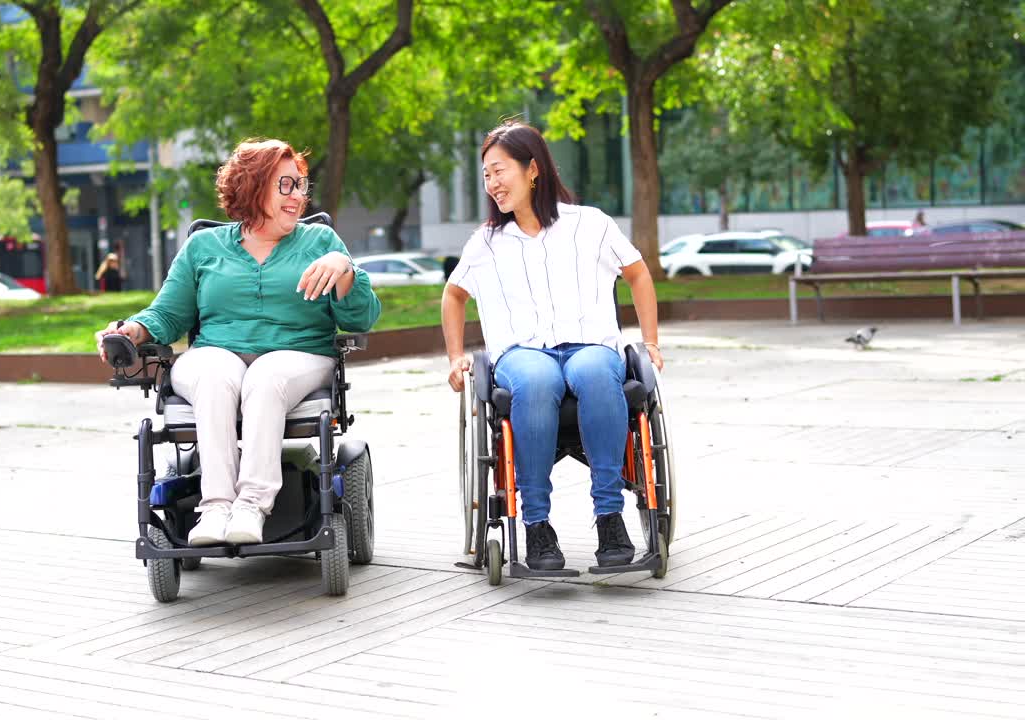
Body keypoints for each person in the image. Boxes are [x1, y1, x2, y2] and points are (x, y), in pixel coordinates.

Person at [95, 139, 381, 546]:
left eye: (301, 185)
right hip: (216, 351)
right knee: (214, 374)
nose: (298, 195)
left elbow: (360, 318)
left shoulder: (320, 242)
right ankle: (215, 507)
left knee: (266, 375)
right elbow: (168, 315)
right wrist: (131, 331)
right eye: (286, 185)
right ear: (253, 186)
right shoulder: (203, 247)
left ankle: (251, 505)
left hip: (298, 354)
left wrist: (346, 270)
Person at [441, 120, 663, 571]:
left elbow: (638, 273)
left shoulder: (590, 224)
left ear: (533, 169)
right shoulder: (486, 242)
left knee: (596, 372)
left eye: (499, 170)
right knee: (538, 379)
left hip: (589, 346)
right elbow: (453, 295)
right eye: (486, 175)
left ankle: (609, 517)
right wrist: (454, 357)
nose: (492, 183)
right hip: (522, 355)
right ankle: (537, 527)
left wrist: (651, 341)